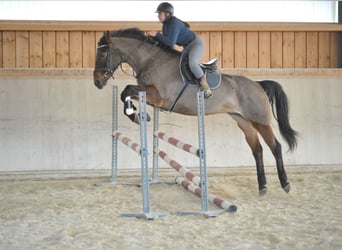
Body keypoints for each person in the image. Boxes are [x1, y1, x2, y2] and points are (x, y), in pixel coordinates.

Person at [147, 2, 213, 98]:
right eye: (158, 14)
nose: (158, 16)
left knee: (193, 63)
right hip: (186, 47)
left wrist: (157, 35)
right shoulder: (165, 25)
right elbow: (166, 43)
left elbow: (170, 43)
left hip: (196, 44)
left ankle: (205, 87)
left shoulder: (174, 23)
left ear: (167, 14)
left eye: (160, 14)